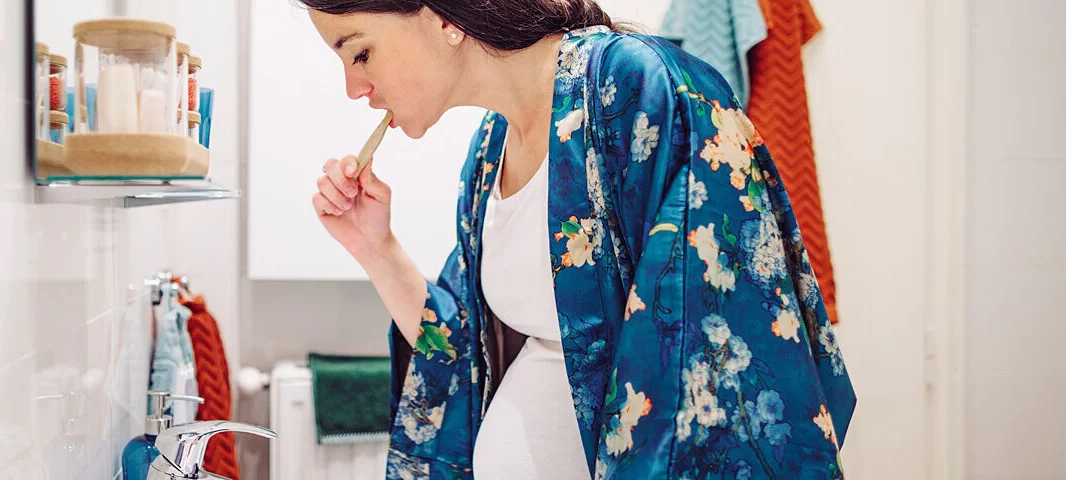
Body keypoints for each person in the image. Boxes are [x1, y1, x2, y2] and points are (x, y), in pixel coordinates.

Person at [302, 1, 855, 478]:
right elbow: (463, 355)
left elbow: (719, 360)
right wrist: (375, 246)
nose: (354, 88)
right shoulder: (489, 150)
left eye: (360, 53)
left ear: (441, 17)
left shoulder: (636, 89)